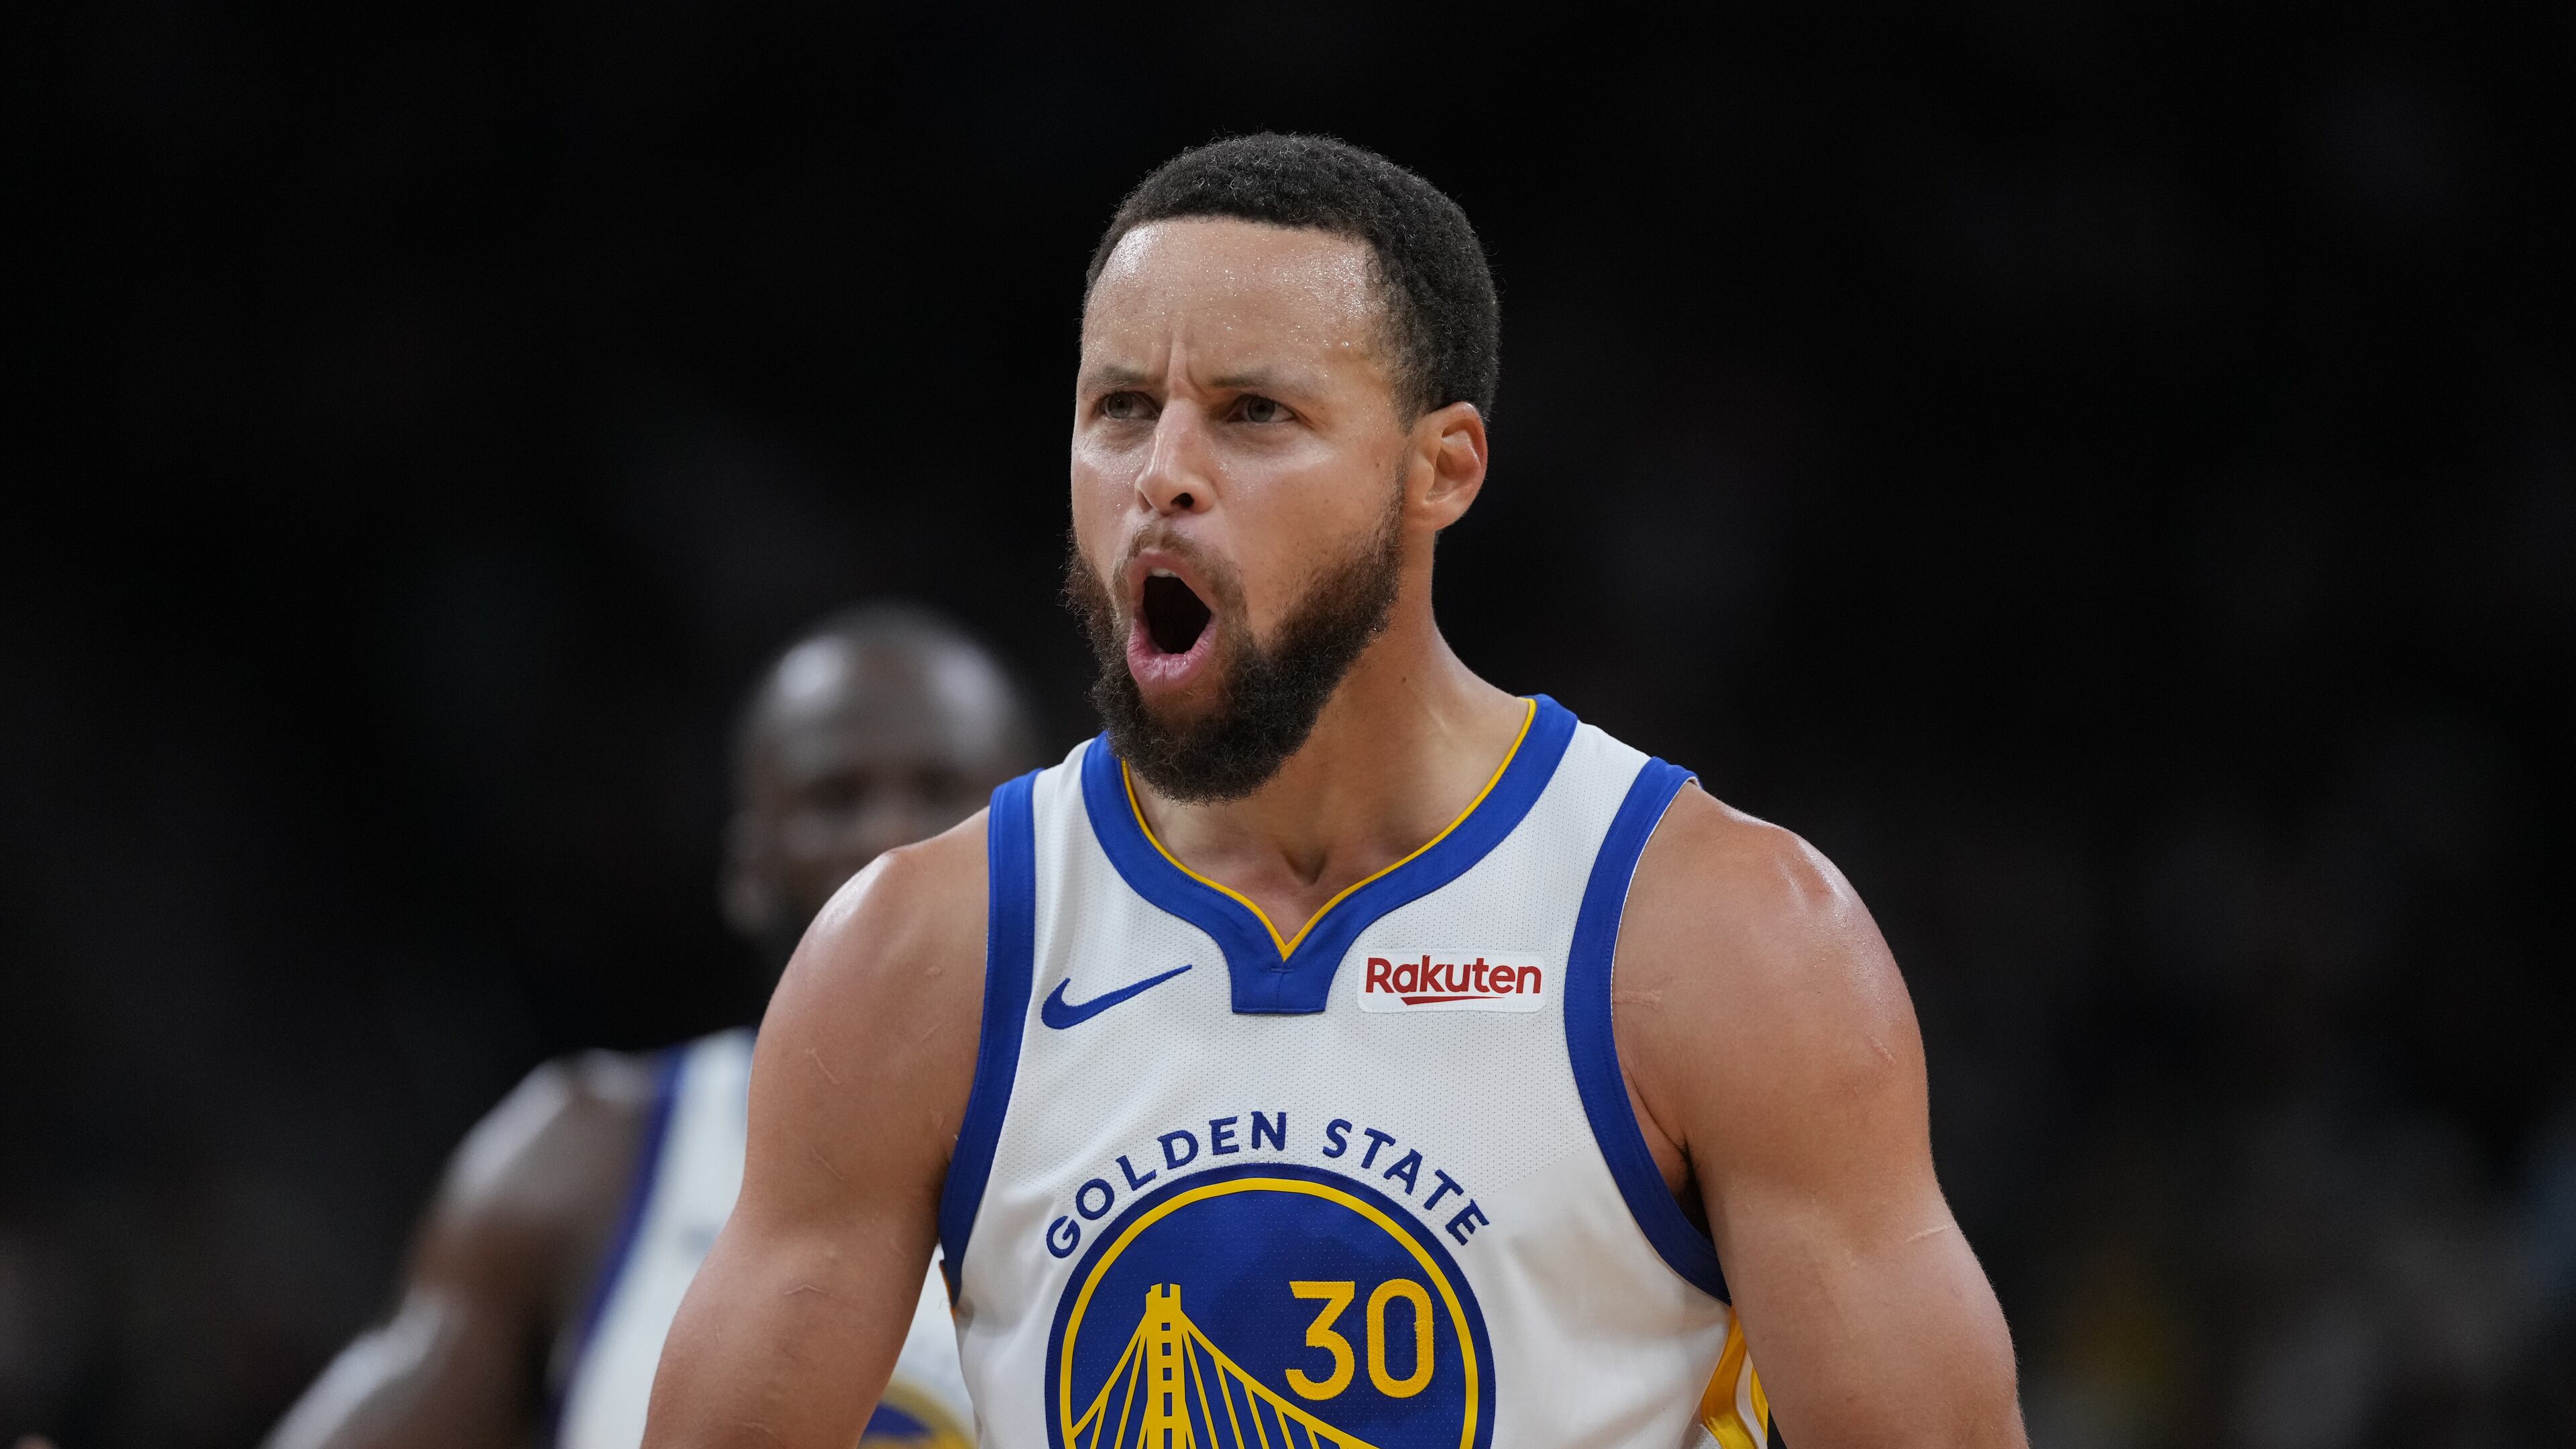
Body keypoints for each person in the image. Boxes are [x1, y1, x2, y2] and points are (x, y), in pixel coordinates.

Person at [644, 135, 2027, 1448]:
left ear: (1442, 469)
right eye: (1121, 408)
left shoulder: (1722, 938)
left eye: (1253, 414)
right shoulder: (920, 955)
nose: (1162, 477)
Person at [269, 604, 1041, 1449]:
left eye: (942, 791)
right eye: (837, 798)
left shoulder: (1156, 1125)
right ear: (750, 873)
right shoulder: (584, 1159)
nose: (892, 839)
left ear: (1044, 849)